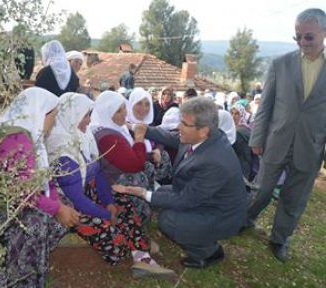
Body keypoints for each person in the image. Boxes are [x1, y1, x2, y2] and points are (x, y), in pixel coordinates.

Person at [47, 92, 175, 278]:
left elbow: (97, 172)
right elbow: (77, 199)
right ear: (71, 116)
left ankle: (143, 259)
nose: (89, 120)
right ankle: (136, 246)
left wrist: (108, 202)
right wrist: (107, 214)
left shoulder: (84, 137)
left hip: (91, 195)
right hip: (74, 208)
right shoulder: (62, 151)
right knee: (116, 242)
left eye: (90, 114)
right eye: (85, 115)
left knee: (122, 202)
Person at [113, 97, 247, 269]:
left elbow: (186, 200)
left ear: (203, 131)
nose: (178, 127)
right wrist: (143, 129)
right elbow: (171, 137)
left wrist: (143, 194)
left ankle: (209, 251)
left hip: (222, 215)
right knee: (161, 194)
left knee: (168, 220)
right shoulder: (204, 138)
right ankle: (202, 236)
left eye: (184, 124)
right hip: (207, 199)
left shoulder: (214, 162)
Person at [245, 8, 326, 263]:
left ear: (324, 33)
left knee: (295, 197)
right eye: (297, 37)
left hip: (311, 145)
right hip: (276, 140)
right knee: (262, 189)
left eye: (308, 37)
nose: (302, 42)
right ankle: (243, 220)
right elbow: (265, 105)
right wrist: (256, 139)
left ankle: (279, 239)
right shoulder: (280, 64)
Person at [0, 87, 80, 287]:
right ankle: (19, 278)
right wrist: (57, 209)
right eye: (53, 117)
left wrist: (57, 203)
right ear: (40, 112)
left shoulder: (30, 135)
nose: (54, 123)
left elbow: (44, 178)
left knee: (64, 204)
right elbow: (21, 192)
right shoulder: (16, 138)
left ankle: (35, 266)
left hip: (15, 201)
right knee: (36, 222)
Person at [90, 91, 152, 225]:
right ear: (107, 113)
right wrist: (139, 137)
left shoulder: (109, 127)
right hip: (111, 182)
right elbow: (135, 165)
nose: (125, 113)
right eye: (119, 111)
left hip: (112, 175)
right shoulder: (108, 137)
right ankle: (138, 222)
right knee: (138, 177)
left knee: (149, 165)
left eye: (124, 107)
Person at [127, 88, 173, 185]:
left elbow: (160, 139)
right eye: (139, 103)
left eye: (147, 104)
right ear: (131, 105)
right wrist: (151, 156)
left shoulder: (149, 125)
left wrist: (158, 150)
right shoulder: (125, 128)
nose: (143, 108)